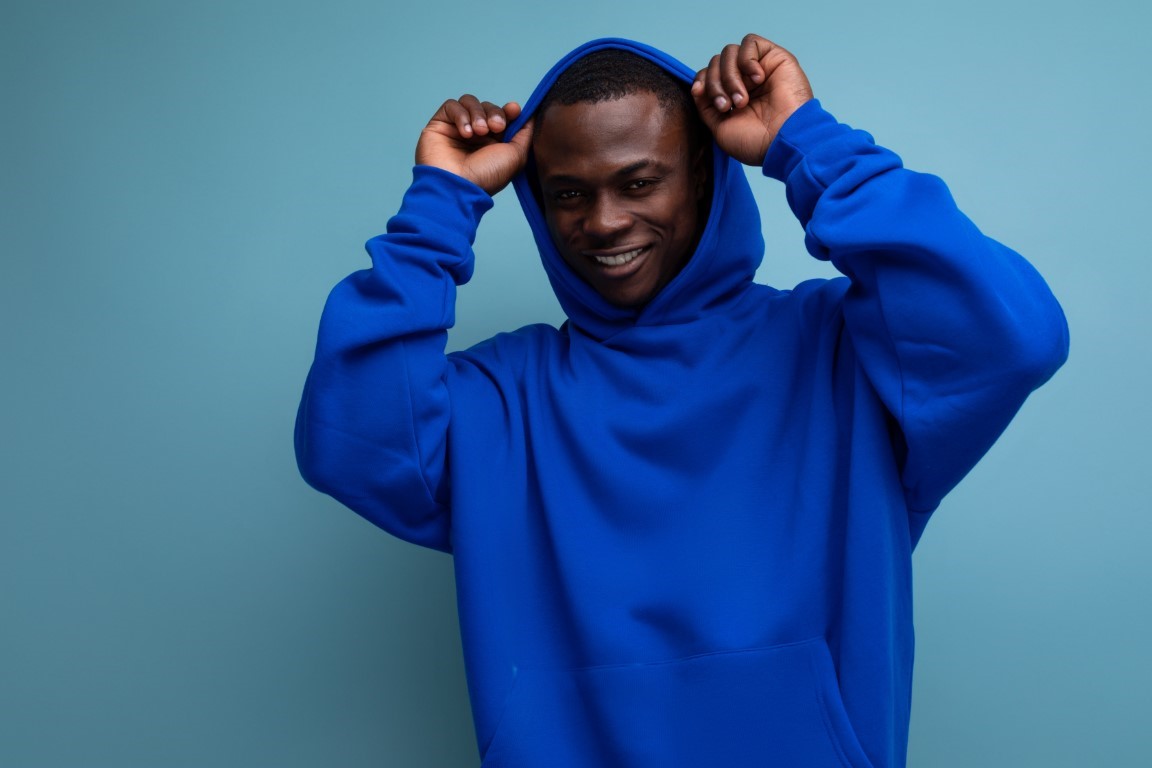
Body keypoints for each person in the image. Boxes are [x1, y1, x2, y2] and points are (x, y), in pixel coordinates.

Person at [295, 34, 1068, 767]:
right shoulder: (502, 398)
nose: (602, 222)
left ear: (701, 174)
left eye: (638, 183)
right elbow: (349, 439)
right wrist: (439, 207)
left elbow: (1013, 340)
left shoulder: (843, 354)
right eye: (569, 194)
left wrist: (808, 143)